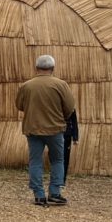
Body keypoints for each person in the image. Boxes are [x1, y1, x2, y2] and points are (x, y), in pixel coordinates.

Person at [16, 54, 77, 206]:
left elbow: (19, 105)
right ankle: (55, 193)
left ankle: (39, 195)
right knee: (57, 160)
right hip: (55, 129)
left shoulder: (27, 86)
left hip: (33, 128)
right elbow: (69, 107)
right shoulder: (61, 85)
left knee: (35, 161)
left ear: (36, 68)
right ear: (52, 68)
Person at [62, 109, 79, 185]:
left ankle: (62, 179)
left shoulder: (70, 107)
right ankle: (56, 178)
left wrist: (75, 137)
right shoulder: (55, 104)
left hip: (66, 134)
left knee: (65, 158)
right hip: (55, 133)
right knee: (55, 157)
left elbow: (74, 122)